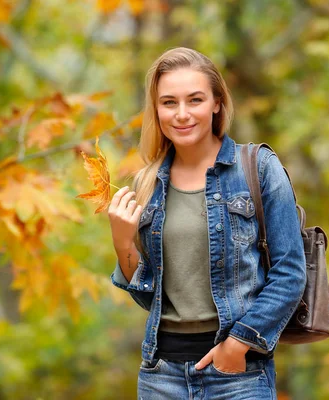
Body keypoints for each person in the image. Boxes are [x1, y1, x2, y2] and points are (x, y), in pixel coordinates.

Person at [108, 47, 306, 400]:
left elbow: (290, 273)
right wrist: (123, 244)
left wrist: (237, 344)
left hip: (238, 375)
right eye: (169, 102)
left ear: (216, 103)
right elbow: (150, 297)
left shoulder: (258, 167)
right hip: (161, 376)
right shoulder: (146, 184)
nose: (182, 114)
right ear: (156, 109)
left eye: (195, 100)